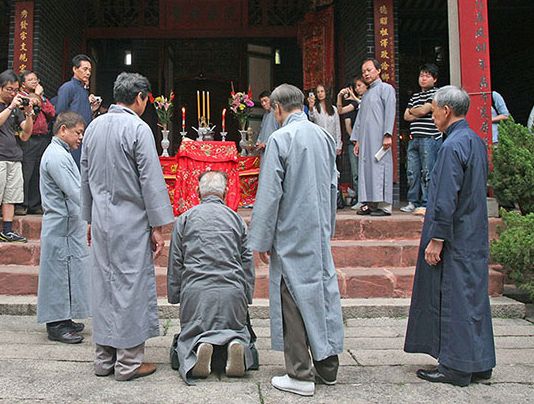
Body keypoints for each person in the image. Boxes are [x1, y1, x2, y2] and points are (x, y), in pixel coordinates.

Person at [248, 83, 344, 397]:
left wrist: (260, 238)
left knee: (293, 299)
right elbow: (333, 186)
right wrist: (327, 227)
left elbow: (270, 193)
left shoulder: (280, 138)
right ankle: (327, 367)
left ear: (277, 109)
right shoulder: (324, 136)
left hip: (291, 231)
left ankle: (300, 374)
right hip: (316, 230)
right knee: (323, 293)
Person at [80, 72, 174, 381]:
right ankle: (129, 362)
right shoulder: (137, 127)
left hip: (103, 218)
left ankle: (104, 359)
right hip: (131, 220)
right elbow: (150, 179)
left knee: (104, 285)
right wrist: (159, 226)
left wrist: (90, 217)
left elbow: (86, 176)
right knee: (130, 286)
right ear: (141, 98)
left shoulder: (94, 126)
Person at [404, 85, 495, 387]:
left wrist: (437, 237)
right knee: (474, 298)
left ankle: (455, 367)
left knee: (454, 297)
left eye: (433, 109)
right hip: (473, 232)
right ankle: (479, 362)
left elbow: (445, 196)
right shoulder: (475, 141)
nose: (433, 114)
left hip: (454, 235)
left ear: (445, 111)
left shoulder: (451, 146)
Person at [167, 171, 256, 384]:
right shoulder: (237, 220)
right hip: (232, 294)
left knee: (192, 331)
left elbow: (175, 263)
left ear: (197, 192)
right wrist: (246, 296)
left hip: (196, 294)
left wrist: (176, 295)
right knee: (236, 327)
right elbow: (247, 263)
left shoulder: (185, 219)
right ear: (226, 193)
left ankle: (199, 345)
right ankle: (235, 342)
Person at [37, 111, 90, 344]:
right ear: (63, 130)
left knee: (69, 272)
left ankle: (65, 317)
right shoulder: (56, 156)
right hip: (60, 224)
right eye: (78, 132)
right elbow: (74, 190)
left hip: (68, 224)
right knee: (57, 273)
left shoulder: (62, 153)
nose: (81, 138)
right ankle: (56, 324)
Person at [0, 70, 34, 247]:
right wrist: (10, 107)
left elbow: (26, 134)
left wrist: (29, 113)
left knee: (10, 196)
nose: (13, 93)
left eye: (16, 90)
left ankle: (7, 231)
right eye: (9, 89)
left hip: (14, 157)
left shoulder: (15, 109)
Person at [350, 59, 396, 216]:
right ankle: (371, 204)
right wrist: (357, 140)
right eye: (364, 71)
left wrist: (388, 135)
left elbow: (390, 112)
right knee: (366, 170)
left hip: (380, 139)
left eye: (369, 70)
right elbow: (360, 120)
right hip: (366, 140)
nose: (366, 73)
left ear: (378, 70)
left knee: (380, 168)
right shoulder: (367, 93)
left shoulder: (386, 89)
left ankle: (384, 206)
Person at [401, 63, 442, 216]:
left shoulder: (437, 94)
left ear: (435, 79)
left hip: (429, 138)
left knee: (427, 172)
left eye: (427, 76)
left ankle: (426, 202)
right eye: (422, 75)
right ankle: (413, 201)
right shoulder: (415, 96)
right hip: (414, 138)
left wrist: (415, 111)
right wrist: (418, 111)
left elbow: (425, 109)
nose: (423, 78)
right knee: (412, 171)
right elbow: (406, 116)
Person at [17, 70, 55, 215]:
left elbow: (51, 113)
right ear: (23, 84)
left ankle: (34, 204)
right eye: (30, 79)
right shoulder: (21, 97)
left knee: (39, 172)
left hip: (42, 138)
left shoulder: (42, 98)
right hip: (29, 138)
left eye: (35, 79)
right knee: (26, 171)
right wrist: (37, 97)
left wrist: (40, 98)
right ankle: (21, 204)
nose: (34, 82)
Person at [56, 54, 94, 165]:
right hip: (71, 136)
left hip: (82, 136)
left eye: (90, 70)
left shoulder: (83, 90)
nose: (88, 73)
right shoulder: (68, 87)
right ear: (74, 69)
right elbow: (60, 113)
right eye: (85, 69)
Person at [337, 76, 367, 209]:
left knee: (366, 171)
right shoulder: (354, 104)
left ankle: (367, 199)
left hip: (367, 141)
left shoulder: (368, 100)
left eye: (359, 86)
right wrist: (339, 97)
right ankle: (360, 199)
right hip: (354, 142)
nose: (357, 89)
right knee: (356, 172)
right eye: (355, 87)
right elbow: (340, 111)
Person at [307, 84, 342, 155]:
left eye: (322, 91)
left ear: (326, 92)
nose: (320, 94)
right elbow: (311, 118)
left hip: (332, 142)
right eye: (318, 92)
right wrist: (310, 107)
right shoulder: (315, 109)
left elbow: (337, 128)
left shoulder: (333, 109)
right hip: (319, 142)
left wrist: (339, 145)